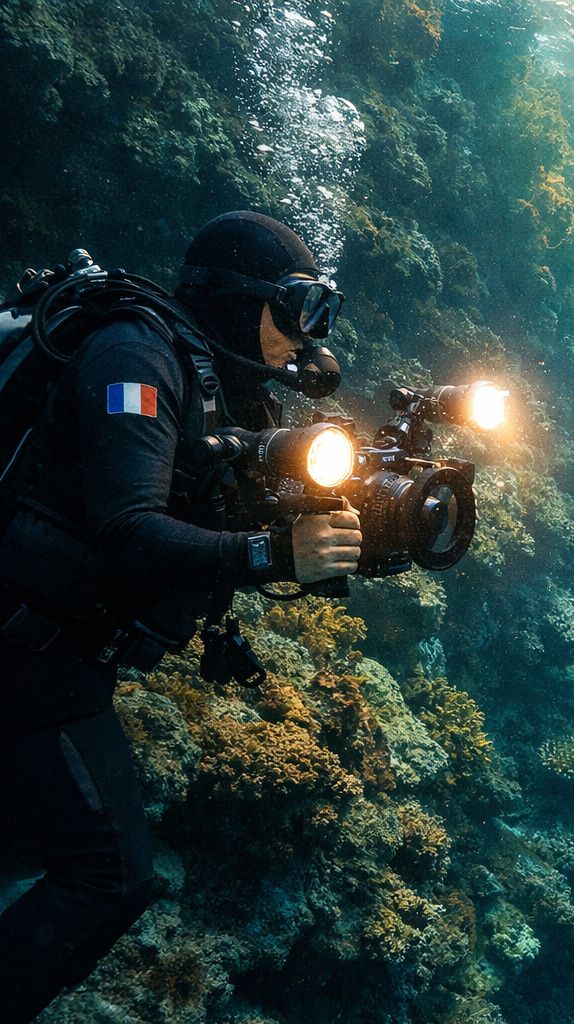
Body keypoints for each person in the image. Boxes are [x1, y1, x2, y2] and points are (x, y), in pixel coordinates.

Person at [0, 212, 364, 1023]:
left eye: (321, 315)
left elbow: (228, 502)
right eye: (298, 307)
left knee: (26, 841)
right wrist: (273, 556)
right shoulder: (135, 357)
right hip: (25, 648)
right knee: (110, 874)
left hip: (65, 651)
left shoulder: (217, 391)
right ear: (241, 300)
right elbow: (128, 530)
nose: (308, 336)